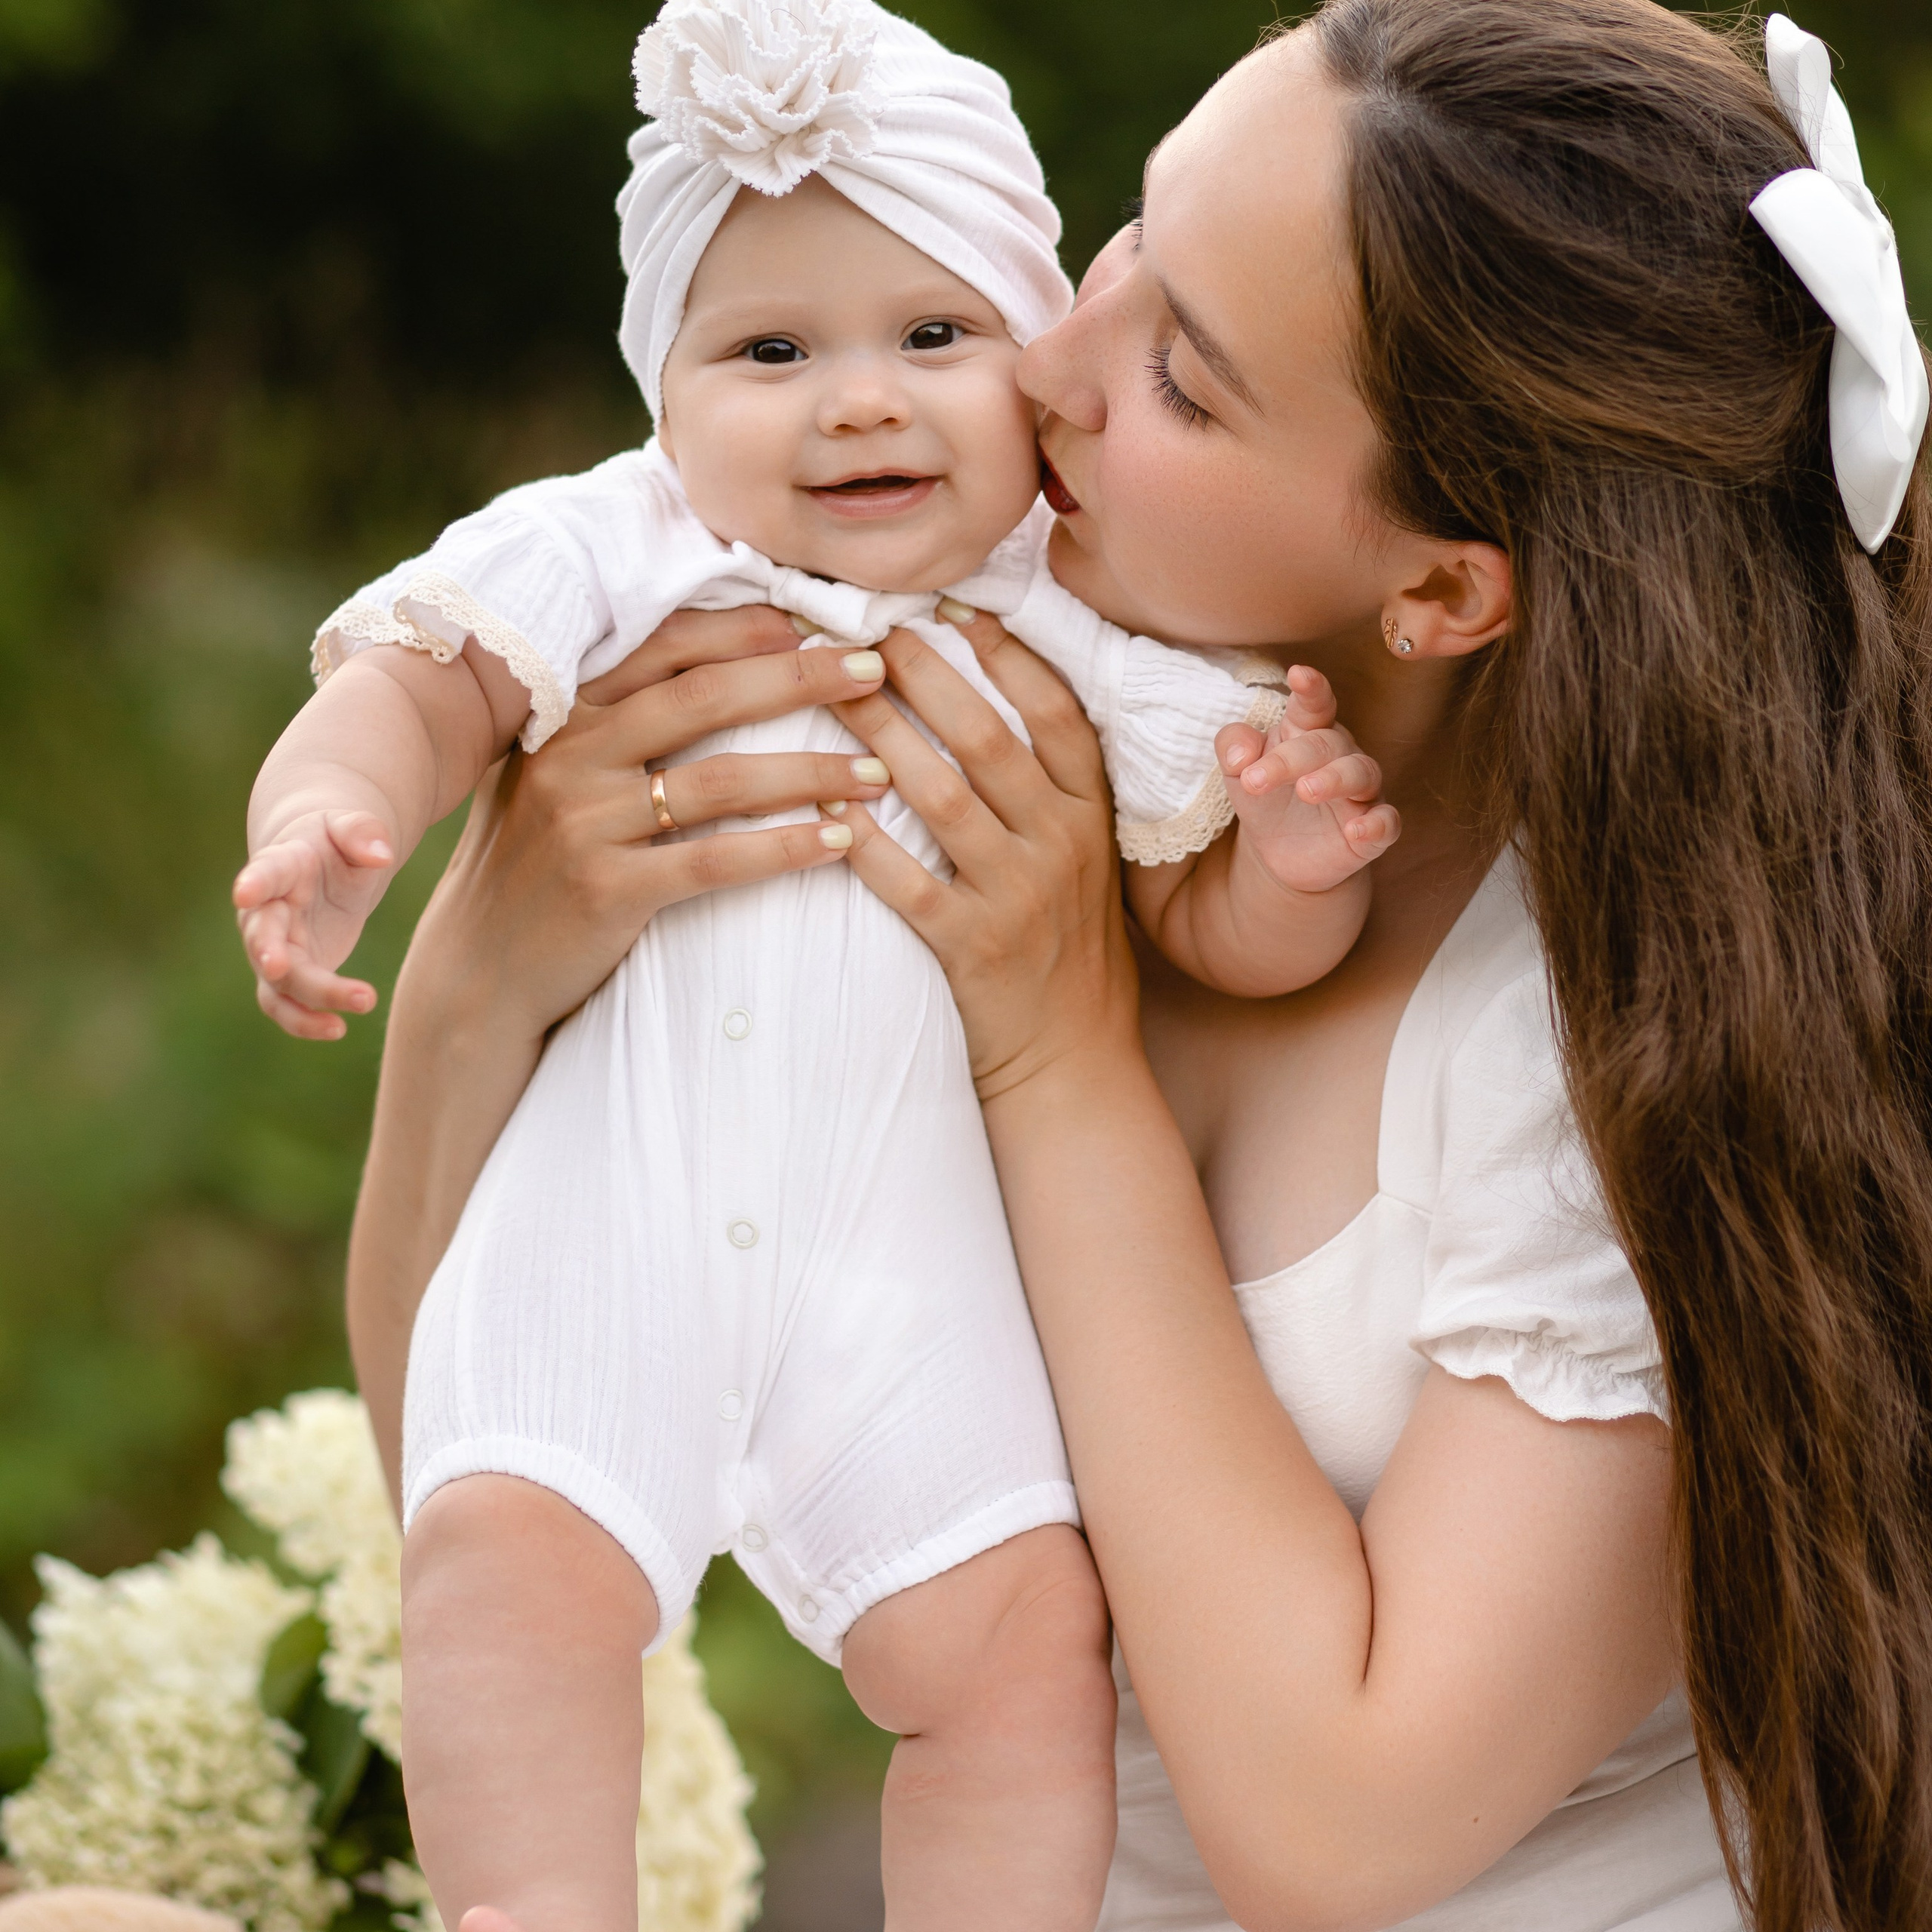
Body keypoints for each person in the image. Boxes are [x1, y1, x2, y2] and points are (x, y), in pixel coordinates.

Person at [347, 0, 1932, 1927]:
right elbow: (478, 1439)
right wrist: (478, 974)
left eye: (1183, 375)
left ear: (1438, 587)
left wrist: (1057, 1050)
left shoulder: (1615, 1034)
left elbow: (1334, 1828)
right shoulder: (1006, 749)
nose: (1047, 362)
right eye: (1119, 244)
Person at [239, 5, 1401, 1927]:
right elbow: (410, 687)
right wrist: (331, 828)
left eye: (934, 337)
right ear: (664, 394)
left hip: (903, 1275)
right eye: (771, 351)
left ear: (1025, 363)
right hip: (615, 1227)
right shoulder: (619, 545)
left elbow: (1199, 919)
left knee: (1025, 1646)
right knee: (497, 1565)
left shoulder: (1068, 615)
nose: (858, 400)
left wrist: (1294, 866)